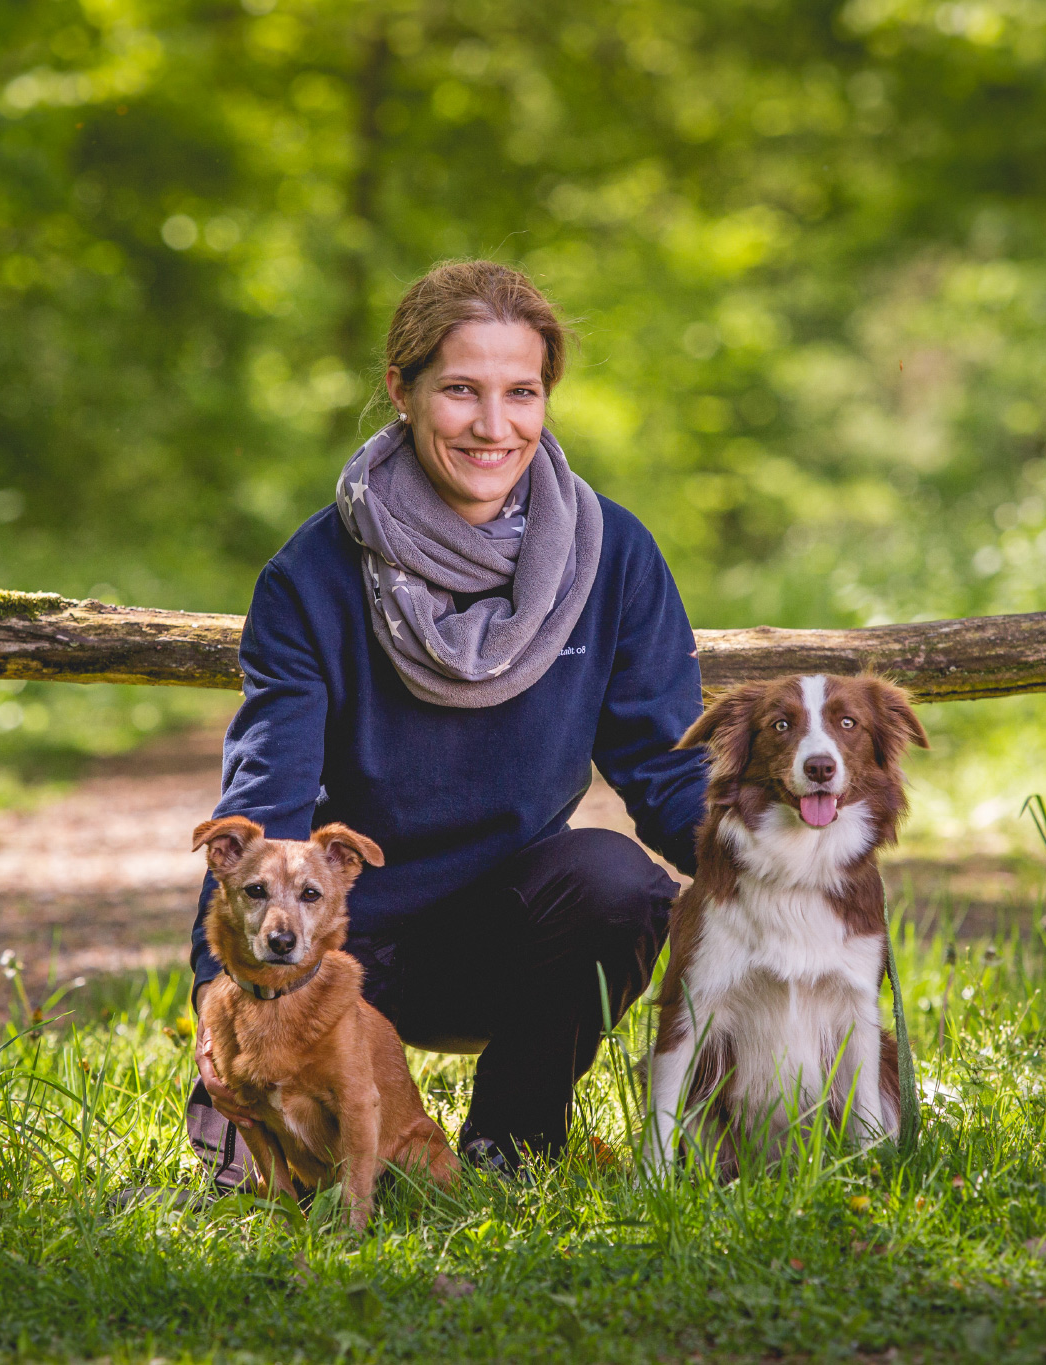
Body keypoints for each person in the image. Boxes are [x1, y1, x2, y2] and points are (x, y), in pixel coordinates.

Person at [187, 259, 709, 1177]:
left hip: (508, 935)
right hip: (335, 945)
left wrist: (794, 872)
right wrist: (215, 989)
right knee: (279, 1183)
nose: (494, 426)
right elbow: (264, 803)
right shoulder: (312, 576)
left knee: (617, 881)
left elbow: (664, 766)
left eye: (523, 392)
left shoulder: (612, 555)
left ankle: (512, 1144)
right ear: (402, 389)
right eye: (462, 390)